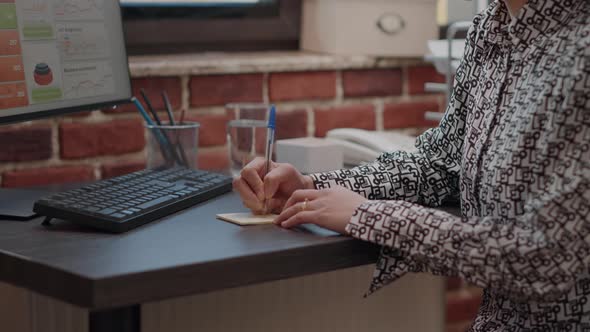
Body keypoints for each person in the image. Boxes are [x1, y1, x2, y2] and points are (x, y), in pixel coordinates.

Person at [233, 0, 589, 330]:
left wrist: (370, 216)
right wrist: (312, 187)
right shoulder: (491, 28)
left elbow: (548, 259)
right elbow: (441, 163)